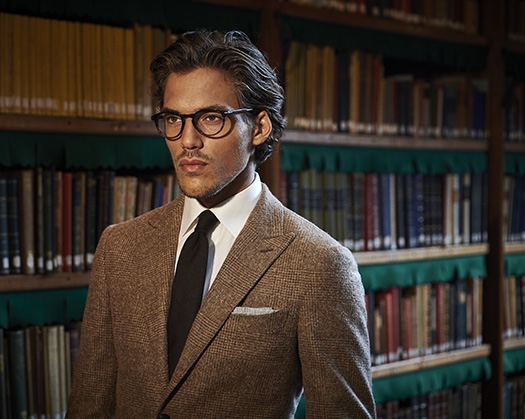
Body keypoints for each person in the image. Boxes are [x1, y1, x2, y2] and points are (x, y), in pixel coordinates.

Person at [66, 29, 376, 419]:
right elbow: (90, 406)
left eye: (210, 118)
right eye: (173, 119)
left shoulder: (319, 264)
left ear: (259, 127)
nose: (187, 141)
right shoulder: (119, 247)